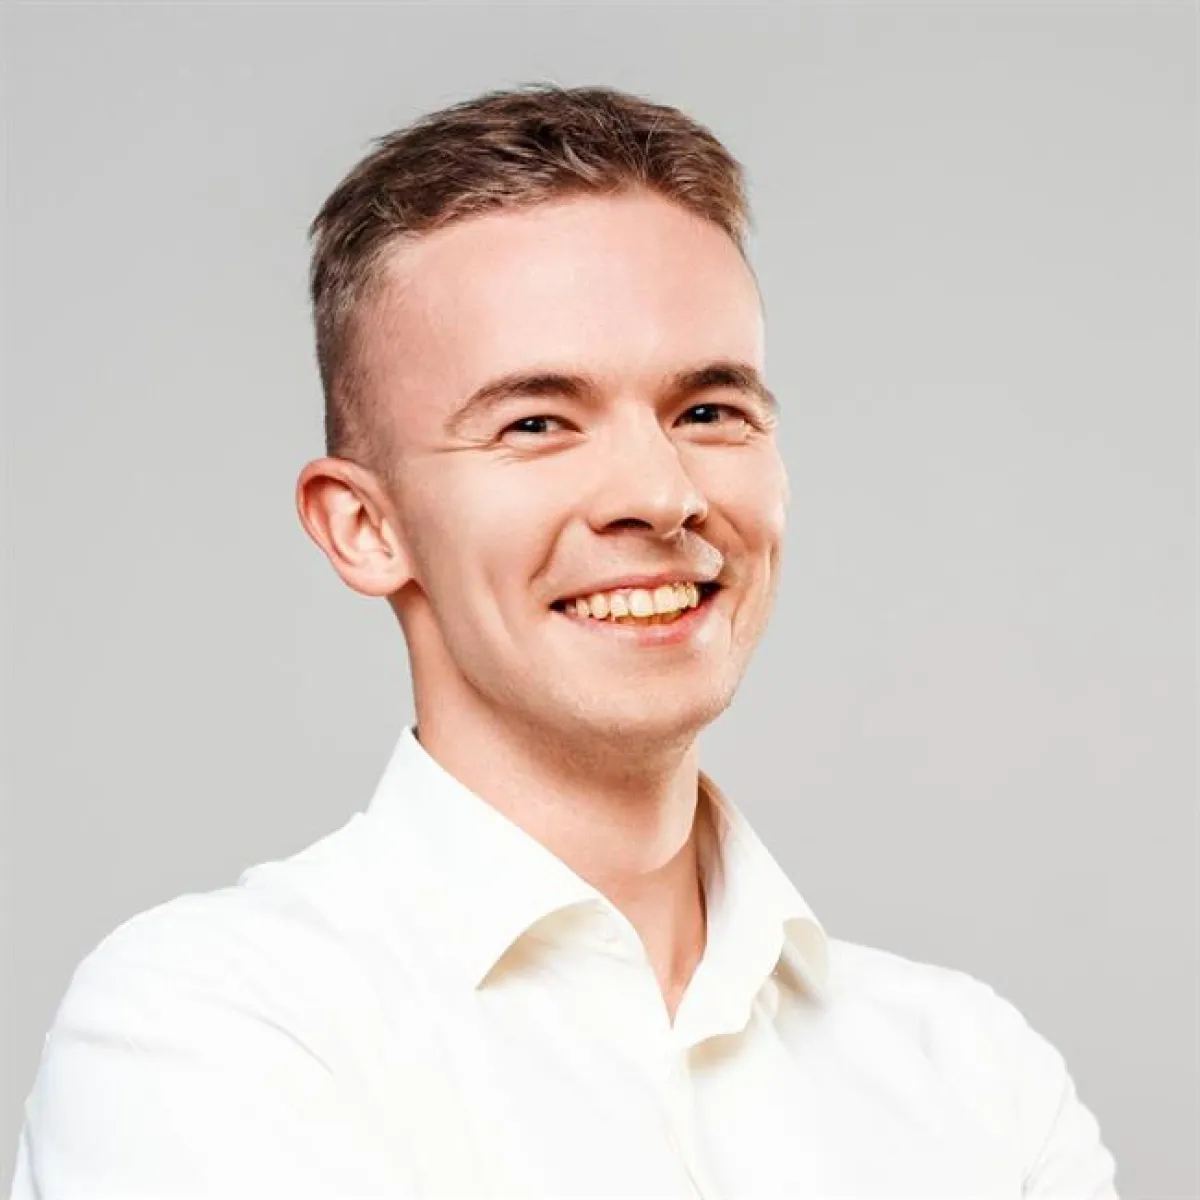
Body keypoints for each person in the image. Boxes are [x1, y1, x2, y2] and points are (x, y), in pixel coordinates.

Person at [11, 84, 1118, 1199]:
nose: (660, 494)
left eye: (709, 411)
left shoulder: (977, 1076)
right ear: (364, 526)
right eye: (536, 423)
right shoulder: (208, 1026)